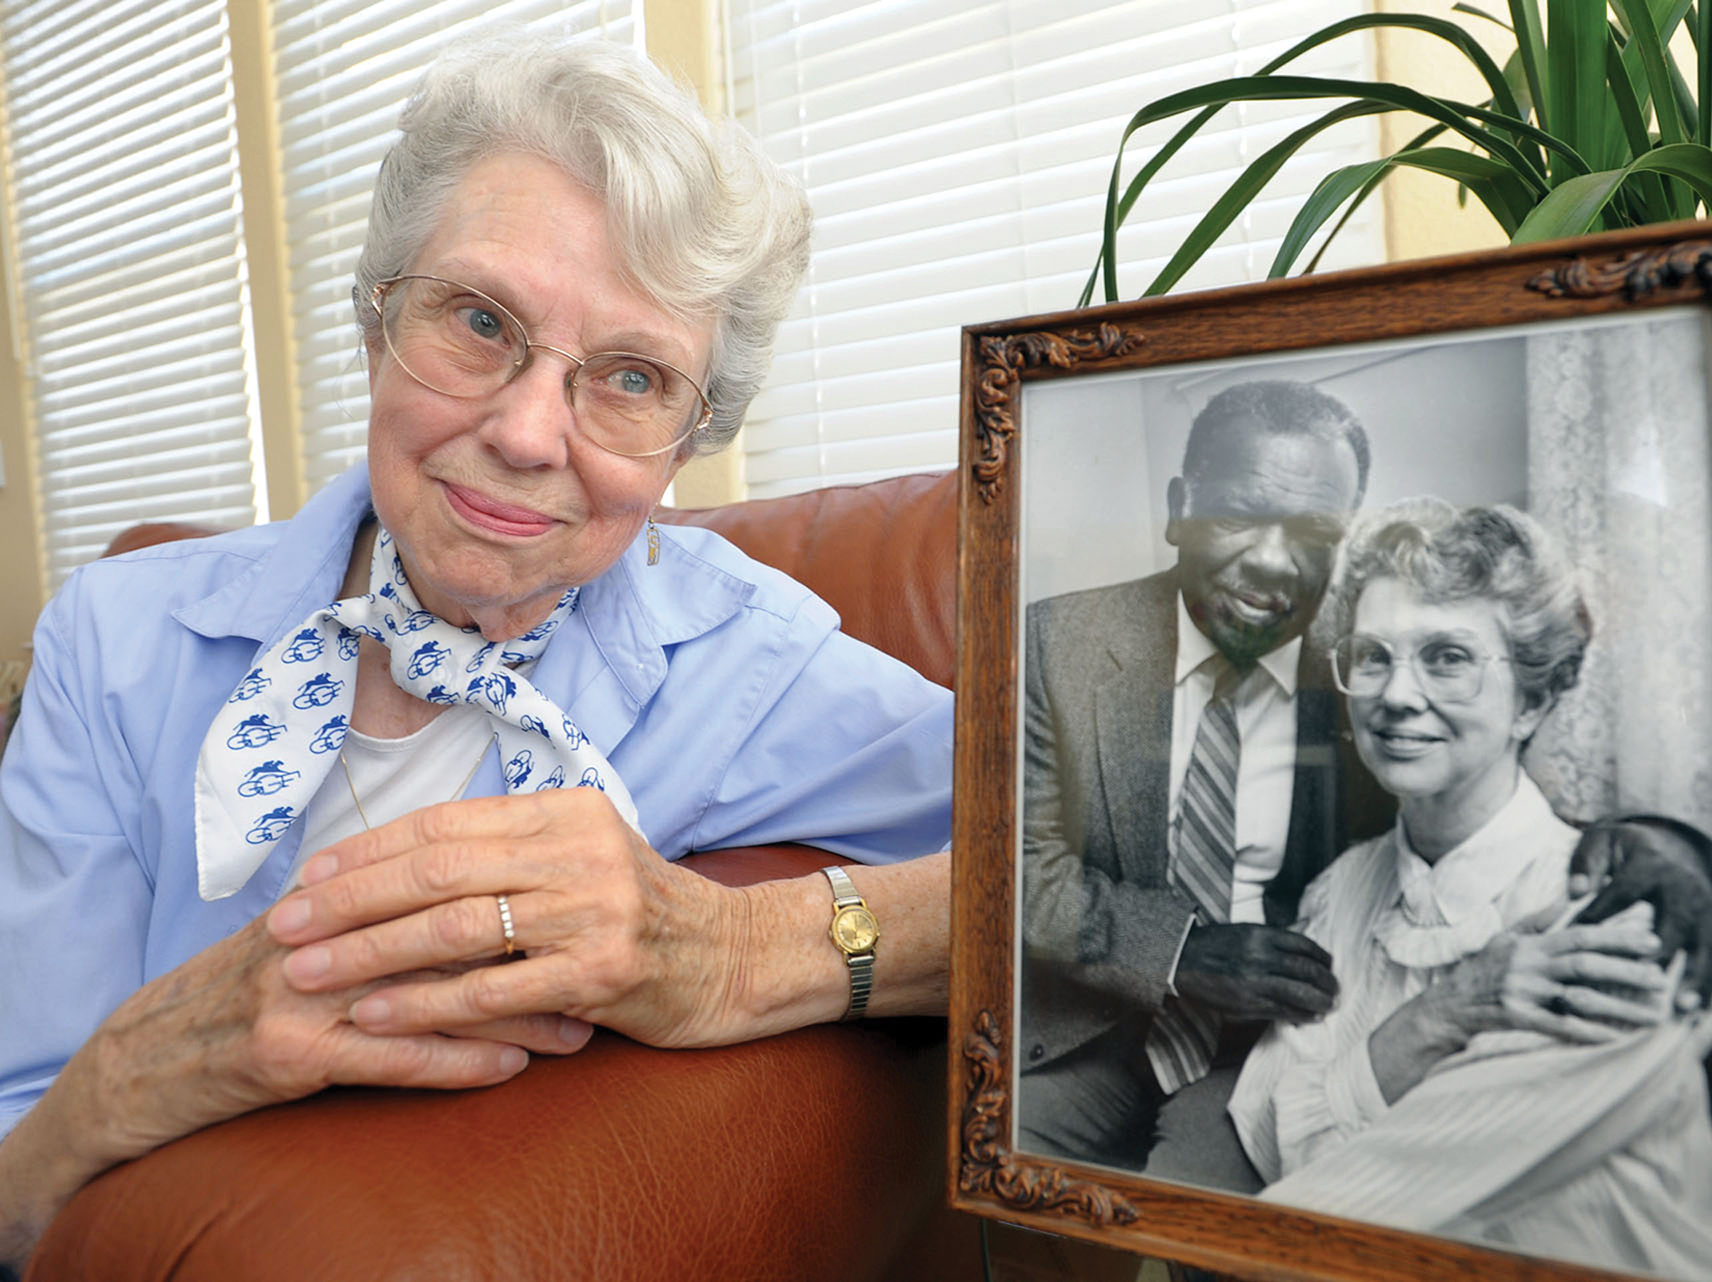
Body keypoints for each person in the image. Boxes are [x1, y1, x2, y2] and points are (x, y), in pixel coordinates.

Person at [0, 36, 953, 1271]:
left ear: (687, 440)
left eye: (628, 376)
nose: (522, 432)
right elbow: (16, 1169)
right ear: (373, 319)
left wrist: (730, 950)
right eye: (479, 318)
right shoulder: (111, 642)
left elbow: (1097, 880)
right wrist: (137, 1067)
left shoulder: (745, 661)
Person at [1227, 499, 1712, 1282]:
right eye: (1372, 656)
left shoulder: (1618, 922)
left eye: (1447, 657)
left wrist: (1354, 1076)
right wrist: (1446, 1011)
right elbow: (1266, 1130)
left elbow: (1327, 1208)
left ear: (1533, 701)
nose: (1396, 696)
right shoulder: (1344, 889)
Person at [1015, 380, 1397, 1185]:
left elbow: (1493, 790)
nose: (1271, 559)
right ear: (1181, 507)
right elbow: (1017, 870)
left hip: (1281, 1043)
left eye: (1314, 531)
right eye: (1238, 515)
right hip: (1097, 1021)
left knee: (1203, 1200)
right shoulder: (1058, 644)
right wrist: (1183, 951)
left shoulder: (1376, 663)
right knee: (995, 1157)